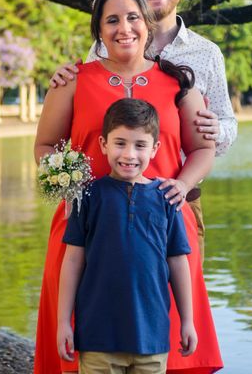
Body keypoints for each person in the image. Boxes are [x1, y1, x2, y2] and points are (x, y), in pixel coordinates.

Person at [34, 0, 223, 374]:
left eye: (133, 18)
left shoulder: (178, 84)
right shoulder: (71, 82)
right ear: (98, 30)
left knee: (165, 337)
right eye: (112, 20)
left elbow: (204, 149)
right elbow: (46, 145)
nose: (124, 28)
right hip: (84, 229)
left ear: (148, 24)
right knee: (83, 340)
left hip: (162, 229)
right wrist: (70, 188)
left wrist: (183, 185)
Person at [50, 0, 237, 260]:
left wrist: (215, 129)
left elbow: (225, 126)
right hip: (103, 204)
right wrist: (63, 84)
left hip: (176, 198)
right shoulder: (103, 47)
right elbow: (87, 113)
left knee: (177, 303)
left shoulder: (205, 54)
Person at [57, 98, 197, 374]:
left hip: (152, 338)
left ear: (155, 148)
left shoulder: (167, 198)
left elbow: (178, 263)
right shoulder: (87, 196)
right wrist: (64, 321)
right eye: (120, 143)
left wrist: (188, 320)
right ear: (103, 145)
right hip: (98, 337)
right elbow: (73, 261)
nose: (129, 154)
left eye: (140, 145)